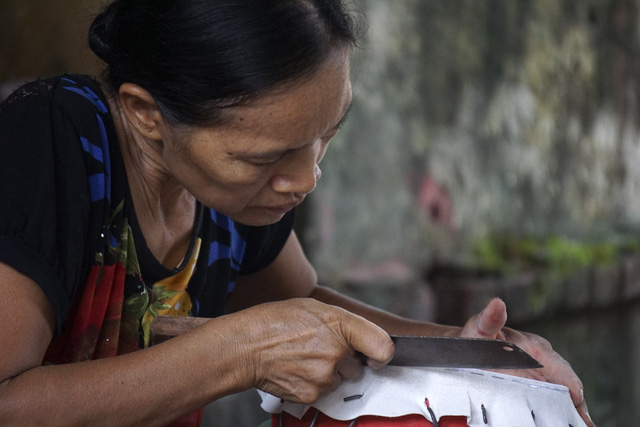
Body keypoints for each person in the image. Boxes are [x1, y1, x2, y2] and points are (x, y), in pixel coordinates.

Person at [0, 1, 594, 426]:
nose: (305, 179)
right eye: (267, 155)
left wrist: (470, 353)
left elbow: (307, 303)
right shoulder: (51, 144)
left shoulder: (228, 195)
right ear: (146, 115)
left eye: (326, 136)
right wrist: (243, 351)